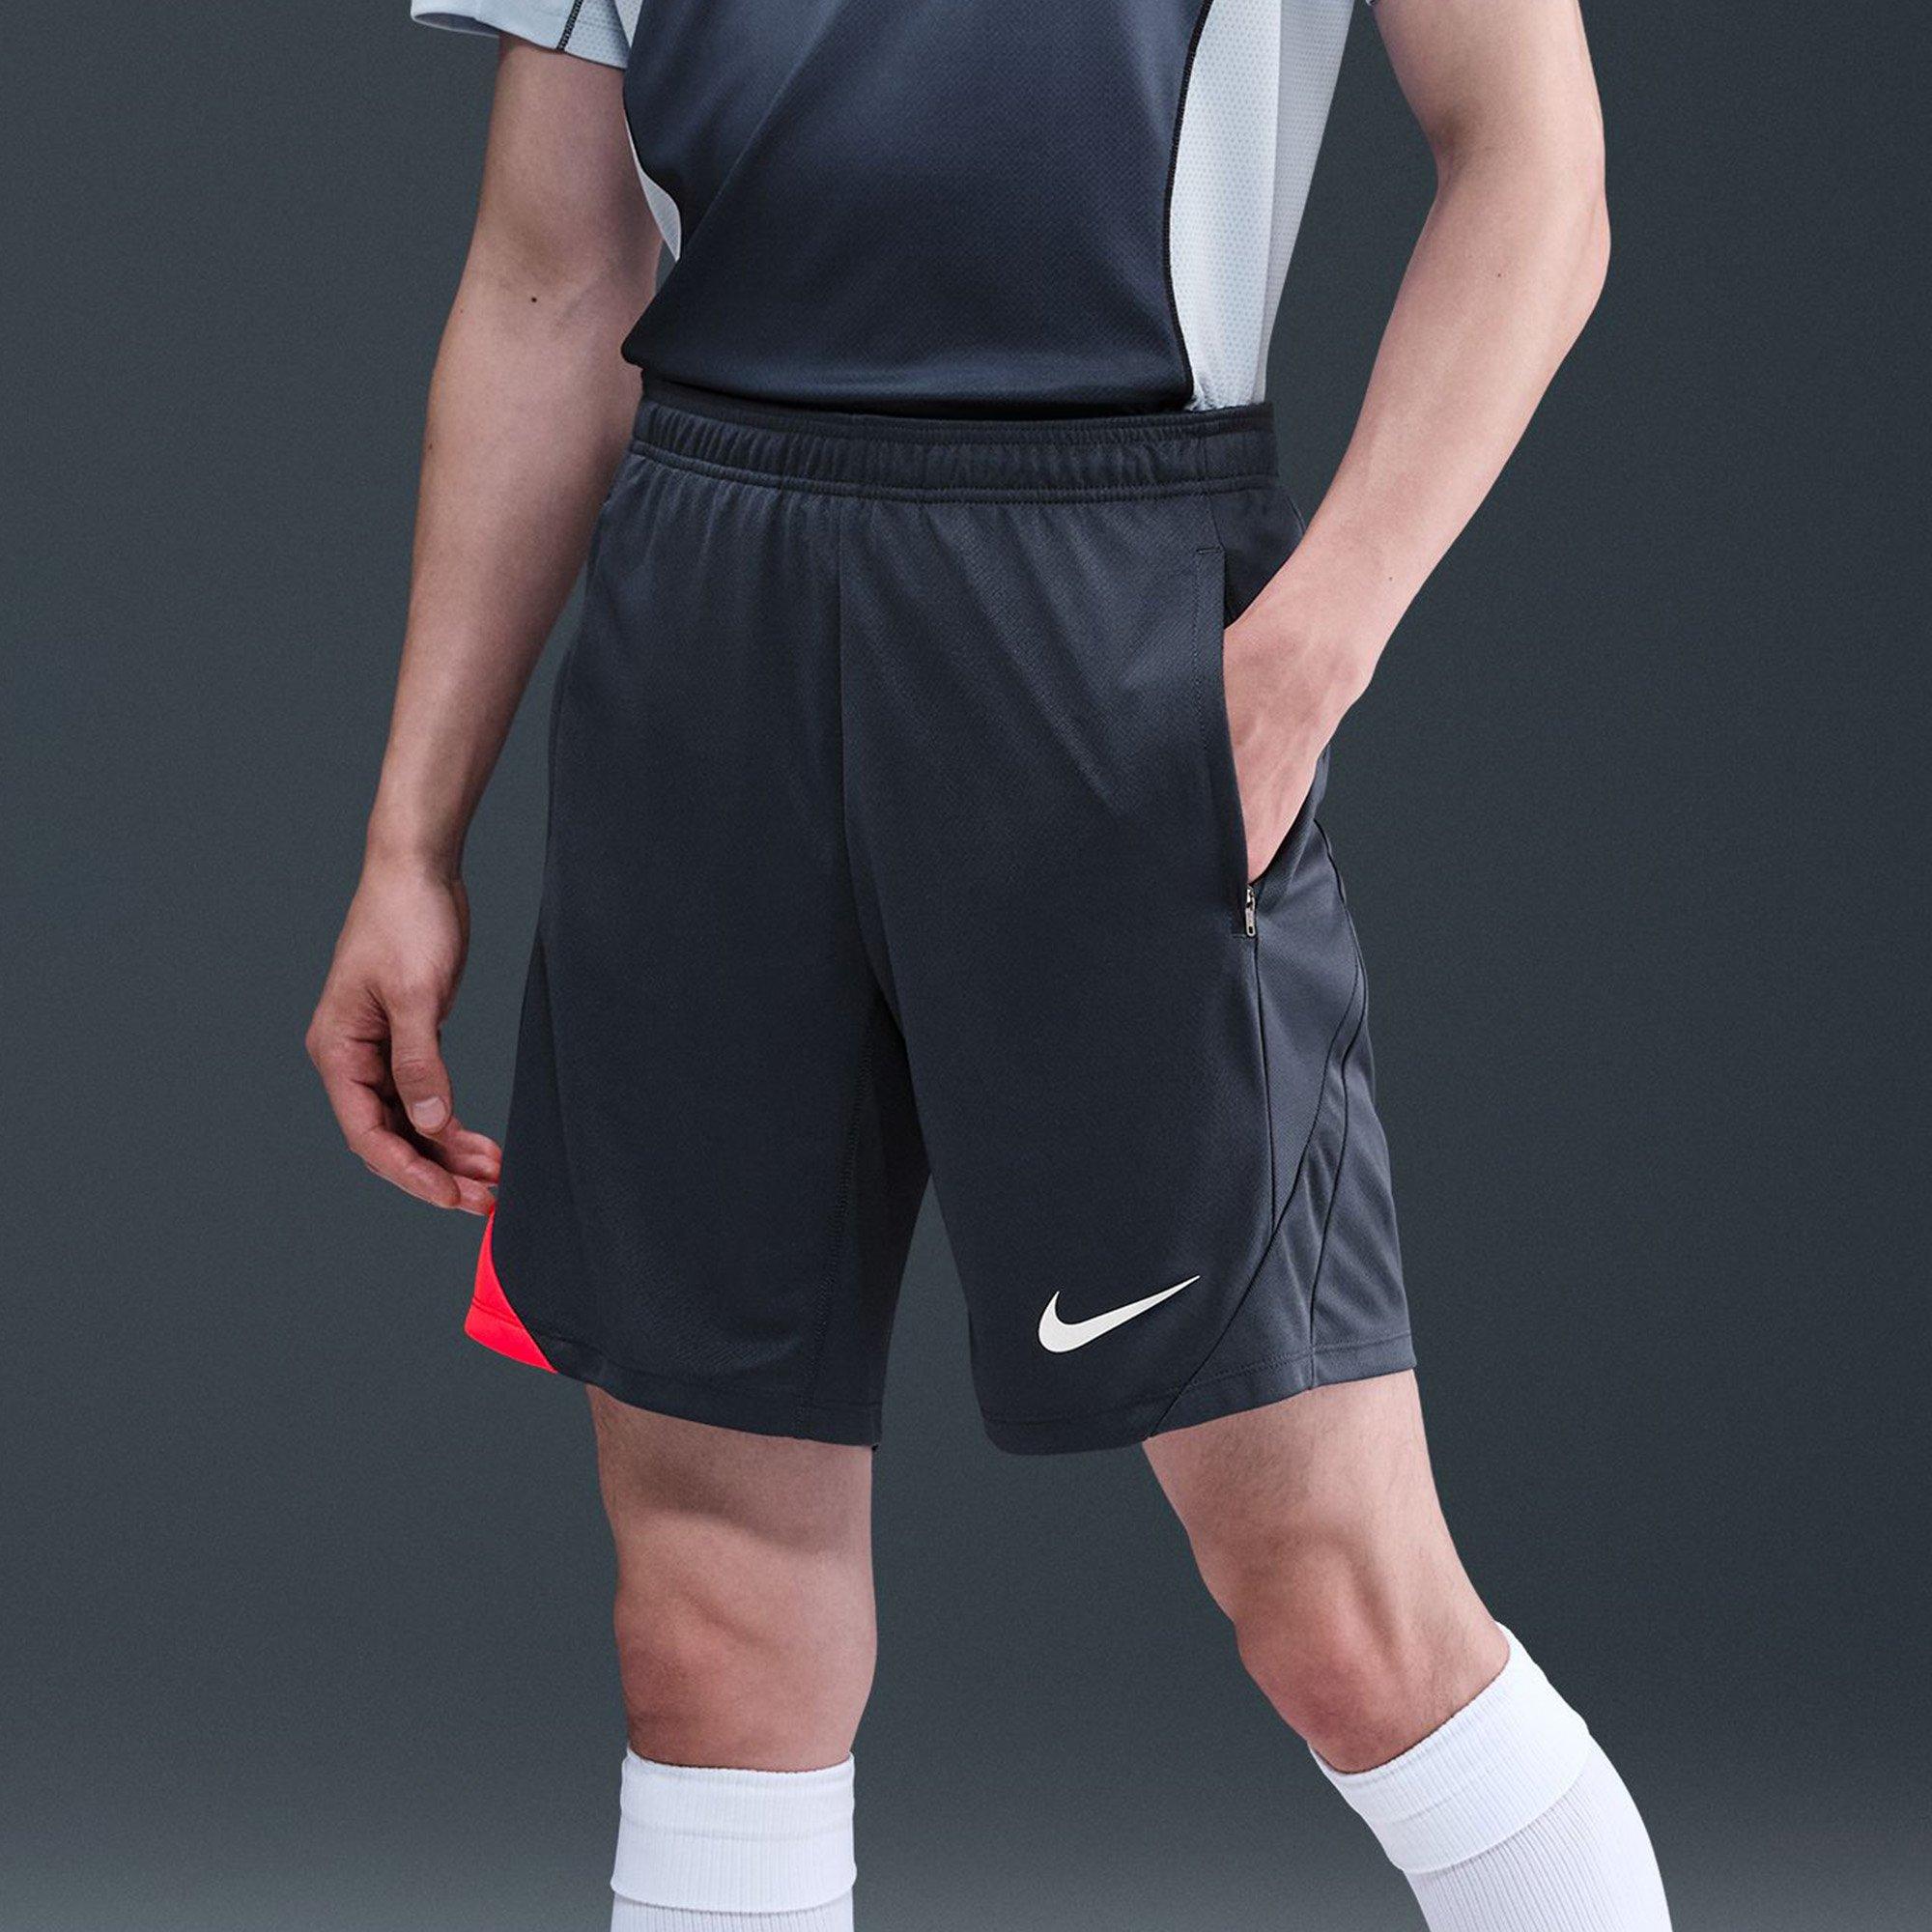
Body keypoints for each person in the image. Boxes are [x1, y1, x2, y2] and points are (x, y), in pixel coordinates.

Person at [309, 2, 1666, 1926]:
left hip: (1101, 596)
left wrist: (1304, 656)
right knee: (705, 1632)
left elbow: (1538, 166)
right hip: (703, 628)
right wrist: (409, 840)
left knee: (1340, 1600)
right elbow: (551, 278)